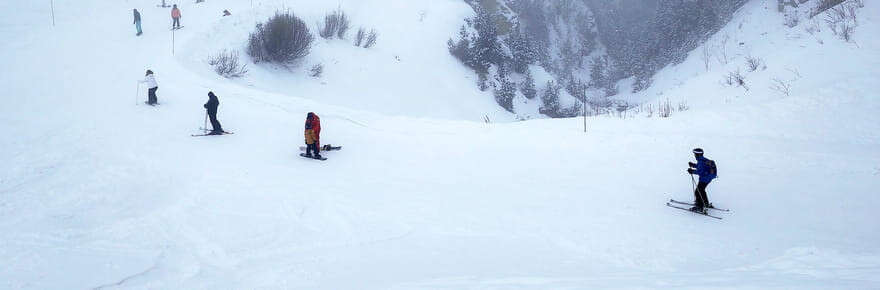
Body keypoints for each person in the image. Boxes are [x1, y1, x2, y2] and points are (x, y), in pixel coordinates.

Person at [687, 148, 717, 212]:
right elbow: (701, 167)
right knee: (701, 190)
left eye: (695, 154)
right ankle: (705, 203)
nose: (694, 155)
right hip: (708, 178)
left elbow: (700, 171)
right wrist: (693, 165)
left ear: (697, 154)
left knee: (697, 192)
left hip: (704, 179)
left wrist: (692, 171)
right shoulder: (703, 160)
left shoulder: (701, 161)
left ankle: (699, 206)